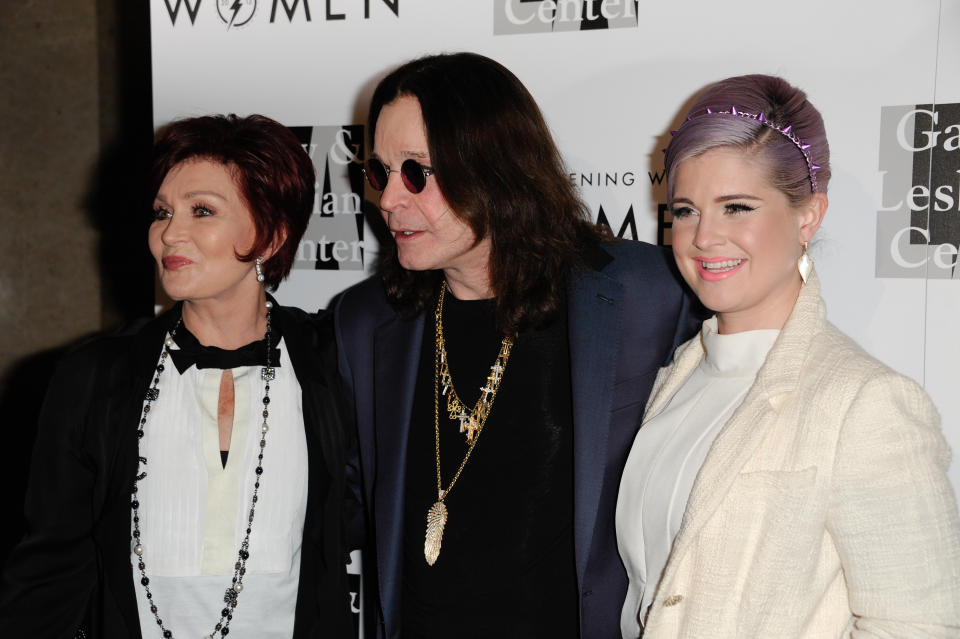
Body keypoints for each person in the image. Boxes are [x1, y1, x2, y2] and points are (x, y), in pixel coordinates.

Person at [334, 52, 702, 639]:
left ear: (493, 166)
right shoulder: (365, 322)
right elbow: (340, 505)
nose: (389, 201)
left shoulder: (647, 295)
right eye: (380, 172)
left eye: (416, 173)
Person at [615, 74, 960, 638]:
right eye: (686, 210)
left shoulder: (865, 404)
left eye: (737, 208)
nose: (703, 238)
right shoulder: (677, 377)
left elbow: (919, 628)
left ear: (808, 216)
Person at [0, 114, 354, 638]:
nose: (170, 233)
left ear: (272, 235)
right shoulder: (95, 375)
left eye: (201, 210)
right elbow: (49, 571)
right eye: (162, 212)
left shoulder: (332, 364)